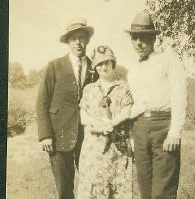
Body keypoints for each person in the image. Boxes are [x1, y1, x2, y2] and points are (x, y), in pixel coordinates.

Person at [125, 13, 187, 199]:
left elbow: (179, 95)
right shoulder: (133, 70)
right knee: (146, 190)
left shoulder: (168, 60)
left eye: (143, 38)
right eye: (134, 38)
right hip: (140, 128)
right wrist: (133, 137)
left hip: (163, 126)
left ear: (153, 38)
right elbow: (134, 105)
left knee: (163, 191)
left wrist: (175, 131)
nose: (139, 43)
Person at [36, 18, 94, 199]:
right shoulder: (54, 66)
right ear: (68, 42)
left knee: (92, 184)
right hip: (59, 136)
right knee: (65, 190)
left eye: (82, 38)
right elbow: (42, 102)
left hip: (89, 137)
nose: (78, 42)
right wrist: (46, 135)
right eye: (74, 38)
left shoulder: (95, 67)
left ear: (87, 40)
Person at [78, 45, 134, 199]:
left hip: (118, 150)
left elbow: (127, 111)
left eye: (108, 63)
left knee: (117, 190)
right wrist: (95, 124)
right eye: (100, 64)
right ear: (95, 67)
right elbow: (83, 114)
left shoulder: (123, 87)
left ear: (113, 64)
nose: (104, 67)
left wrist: (112, 123)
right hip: (93, 150)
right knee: (93, 189)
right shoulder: (89, 89)